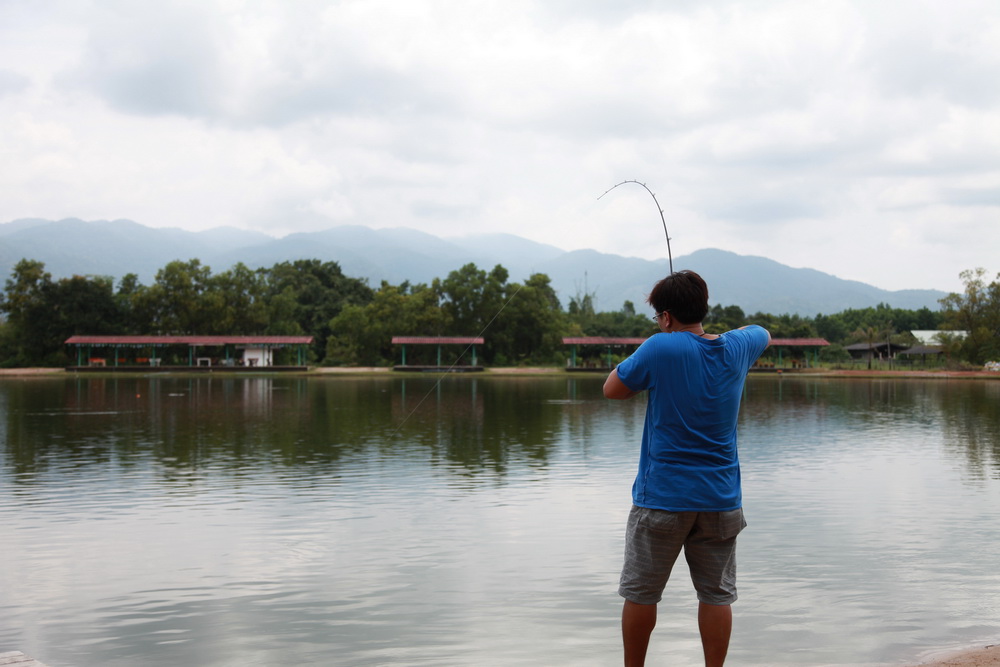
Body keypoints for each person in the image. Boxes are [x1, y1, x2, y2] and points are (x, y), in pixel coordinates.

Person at [603, 270, 770, 667]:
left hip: (662, 498)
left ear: (664, 316)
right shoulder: (738, 347)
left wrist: (664, 338)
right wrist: (713, 336)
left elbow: (612, 388)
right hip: (720, 500)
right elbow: (760, 331)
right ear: (703, 308)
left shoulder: (661, 347)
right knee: (716, 594)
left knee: (641, 593)